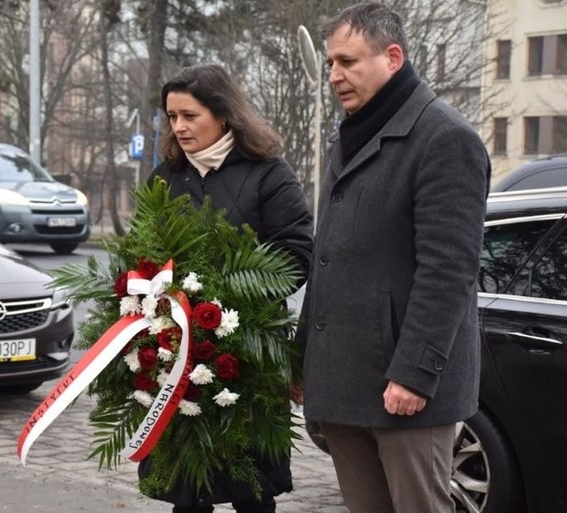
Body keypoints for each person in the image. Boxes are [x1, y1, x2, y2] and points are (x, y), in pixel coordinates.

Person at [298, 3, 490, 513]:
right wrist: (304, 362)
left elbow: (449, 270)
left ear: (393, 57)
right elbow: (330, 258)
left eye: (347, 61)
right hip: (345, 380)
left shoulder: (445, 137)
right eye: (330, 63)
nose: (334, 75)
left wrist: (414, 374)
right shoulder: (351, 132)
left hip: (404, 392)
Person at [143, 63, 315, 513]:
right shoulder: (164, 176)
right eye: (172, 116)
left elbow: (297, 256)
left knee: (251, 492)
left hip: (249, 355)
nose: (178, 127)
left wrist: (226, 295)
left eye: (190, 115)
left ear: (223, 114)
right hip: (178, 355)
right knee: (187, 493)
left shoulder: (269, 174)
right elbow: (145, 254)